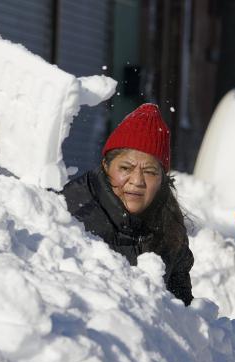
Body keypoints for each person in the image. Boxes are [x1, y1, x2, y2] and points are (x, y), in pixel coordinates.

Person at [61, 103, 194, 305]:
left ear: (162, 178)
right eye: (125, 168)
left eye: (150, 171)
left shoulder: (170, 230)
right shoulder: (70, 213)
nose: (137, 181)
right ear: (106, 165)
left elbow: (183, 314)